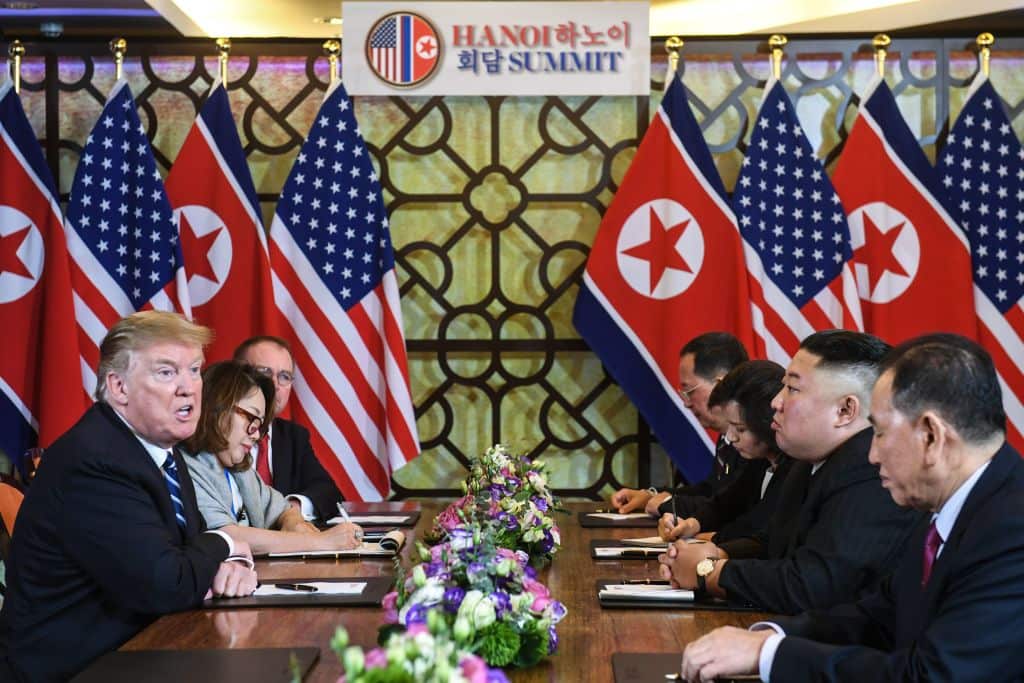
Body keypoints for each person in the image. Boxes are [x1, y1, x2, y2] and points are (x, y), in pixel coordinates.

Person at [679, 334, 1024, 682]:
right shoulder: (959, 507)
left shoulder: (1011, 531)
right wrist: (769, 638)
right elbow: (878, 617)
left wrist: (770, 655)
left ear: (931, 436)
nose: (872, 455)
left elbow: (931, 676)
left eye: (880, 433)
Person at [0, 311, 257, 682]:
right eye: (167, 372)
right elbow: (168, 584)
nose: (189, 387)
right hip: (71, 671)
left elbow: (188, 548)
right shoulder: (95, 461)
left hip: (142, 653)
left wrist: (234, 566)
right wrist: (226, 540)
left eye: (195, 370)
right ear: (119, 387)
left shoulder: (162, 451)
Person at [658, 330, 920, 614]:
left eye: (792, 389)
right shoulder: (806, 462)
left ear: (845, 410)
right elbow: (772, 544)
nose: (775, 402)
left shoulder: (872, 471)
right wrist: (717, 555)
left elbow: (812, 585)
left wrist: (709, 572)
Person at [183, 361, 362, 555]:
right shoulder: (185, 466)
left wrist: (295, 523)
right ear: (218, 406)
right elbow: (226, 536)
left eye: (260, 425)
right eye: (252, 418)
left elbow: (283, 509)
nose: (256, 434)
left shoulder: (241, 470)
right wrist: (319, 541)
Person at [659, 360, 793, 560]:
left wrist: (706, 539)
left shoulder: (796, 467)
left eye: (740, 429)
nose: (731, 437)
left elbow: (758, 529)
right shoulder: (759, 461)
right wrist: (691, 524)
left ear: (768, 422)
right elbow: (727, 502)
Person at [611, 332, 749, 515]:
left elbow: (733, 508)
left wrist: (666, 505)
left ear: (720, 385)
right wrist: (651, 496)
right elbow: (710, 491)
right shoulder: (726, 438)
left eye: (689, 391)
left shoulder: (754, 440)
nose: (686, 403)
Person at [234, 336, 344, 520]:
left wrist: (291, 509)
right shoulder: (216, 433)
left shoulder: (293, 437)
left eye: (284, 376)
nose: (275, 385)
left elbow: (328, 492)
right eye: (265, 373)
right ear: (236, 376)